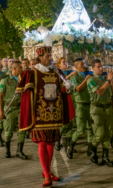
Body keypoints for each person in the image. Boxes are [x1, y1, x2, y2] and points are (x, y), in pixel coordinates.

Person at [16, 46, 74, 187]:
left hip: (54, 114)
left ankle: (47, 171)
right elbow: (24, 90)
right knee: (42, 143)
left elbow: (62, 90)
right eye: (47, 56)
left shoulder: (57, 72)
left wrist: (68, 86)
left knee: (51, 143)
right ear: (40, 58)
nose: (50, 58)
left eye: (50, 56)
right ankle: (47, 175)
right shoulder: (32, 73)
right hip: (39, 115)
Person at [87, 59, 113, 167]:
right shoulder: (90, 80)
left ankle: (105, 156)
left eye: (101, 66)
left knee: (107, 134)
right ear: (93, 68)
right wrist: (107, 81)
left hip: (108, 109)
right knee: (99, 134)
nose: (101, 68)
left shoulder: (106, 79)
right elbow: (99, 92)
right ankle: (92, 150)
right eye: (98, 67)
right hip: (97, 110)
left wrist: (111, 80)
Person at [65, 57, 94, 159]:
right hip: (81, 105)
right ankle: (70, 146)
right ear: (76, 66)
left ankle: (90, 150)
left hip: (90, 105)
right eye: (82, 64)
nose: (84, 66)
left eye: (85, 63)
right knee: (81, 130)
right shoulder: (75, 77)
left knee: (91, 129)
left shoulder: (89, 75)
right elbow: (77, 89)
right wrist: (86, 80)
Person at [0, 61, 28, 159]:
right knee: (8, 130)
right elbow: (0, 96)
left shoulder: (23, 80)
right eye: (20, 68)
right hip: (9, 108)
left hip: (20, 108)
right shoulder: (5, 81)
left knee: (21, 130)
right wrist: (0, 111)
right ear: (14, 68)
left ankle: (19, 151)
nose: (22, 69)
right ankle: (7, 150)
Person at [54, 57, 76, 155]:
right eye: (63, 62)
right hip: (63, 98)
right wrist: (70, 75)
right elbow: (62, 82)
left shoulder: (68, 73)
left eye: (66, 62)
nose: (65, 64)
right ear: (58, 65)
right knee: (63, 123)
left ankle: (68, 146)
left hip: (71, 98)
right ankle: (57, 140)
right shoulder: (58, 73)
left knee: (70, 122)